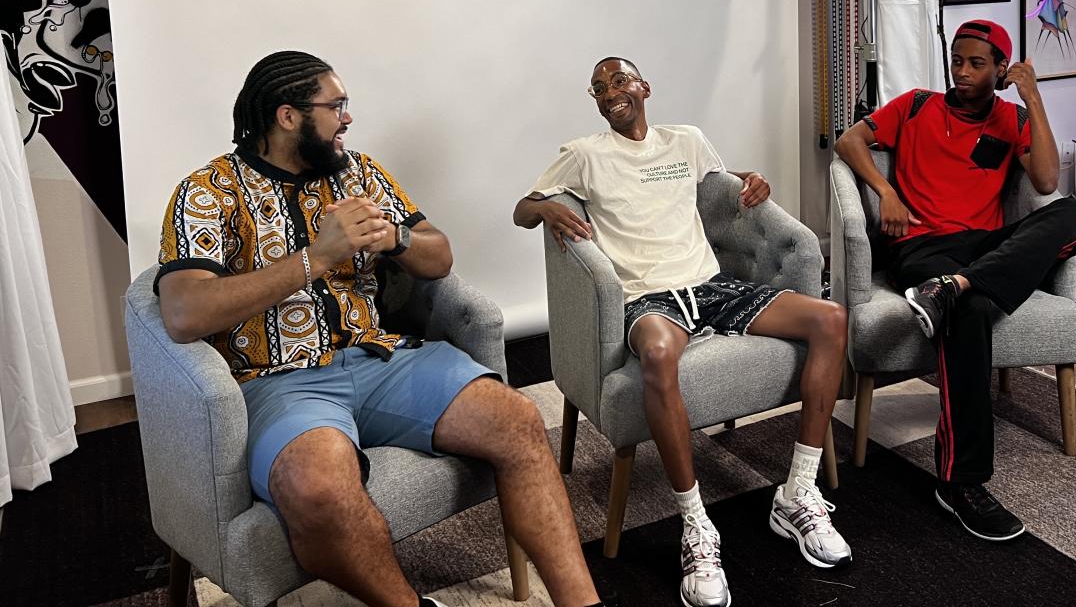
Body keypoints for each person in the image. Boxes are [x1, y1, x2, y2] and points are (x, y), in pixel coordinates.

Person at [155, 51, 613, 607]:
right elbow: (184, 314)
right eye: (336, 106)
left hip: (383, 359)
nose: (348, 118)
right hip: (277, 381)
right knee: (318, 490)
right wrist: (314, 259)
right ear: (287, 116)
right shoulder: (207, 192)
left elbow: (439, 255)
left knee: (518, 420)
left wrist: (393, 238)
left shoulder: (359, 173)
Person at [514, 57, 851, 607]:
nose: (610, 93)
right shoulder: (584, 155)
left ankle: (798, 492)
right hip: (648, 297)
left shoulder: (686, 141)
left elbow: (720, 185)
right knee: (656, 354)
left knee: (831, 319)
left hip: (710, 288)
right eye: (599, 89)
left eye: (620, 81)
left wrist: (751, 178)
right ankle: (696, 527)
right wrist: (547, 209)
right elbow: (520, 210)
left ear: (644, 87)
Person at [834, 20, 1076, 542]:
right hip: (921, 248)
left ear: (1000, 70)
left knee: (1071, 214)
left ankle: (963, 284)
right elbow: (849, 141)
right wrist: (885, 190)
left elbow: (1045, 181)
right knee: (970, 312)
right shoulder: (916, 105)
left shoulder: (1012, 118)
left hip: (982, 247)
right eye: (958, 60)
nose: (963, 72)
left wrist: (1033, 97)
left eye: (977, 64)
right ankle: (959, 483)